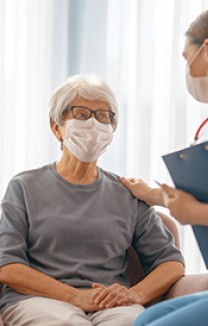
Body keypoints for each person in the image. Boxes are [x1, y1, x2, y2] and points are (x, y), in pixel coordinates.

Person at [0, 74, 185, 326]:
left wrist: (133, 294)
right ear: (57, 127)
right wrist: (76, 297)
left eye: (103, 116)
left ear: (113, 128)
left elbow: (171, 262)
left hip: (111, 304)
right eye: (81, 114)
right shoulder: (24, 186)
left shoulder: (128, 193)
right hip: (39, 300)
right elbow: (8, 266)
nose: (94, 124)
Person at [120, 6, 208, 326]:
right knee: (142, 321)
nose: (187, 69)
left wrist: (194, 214)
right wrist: (154, 196)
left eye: (185, 57)